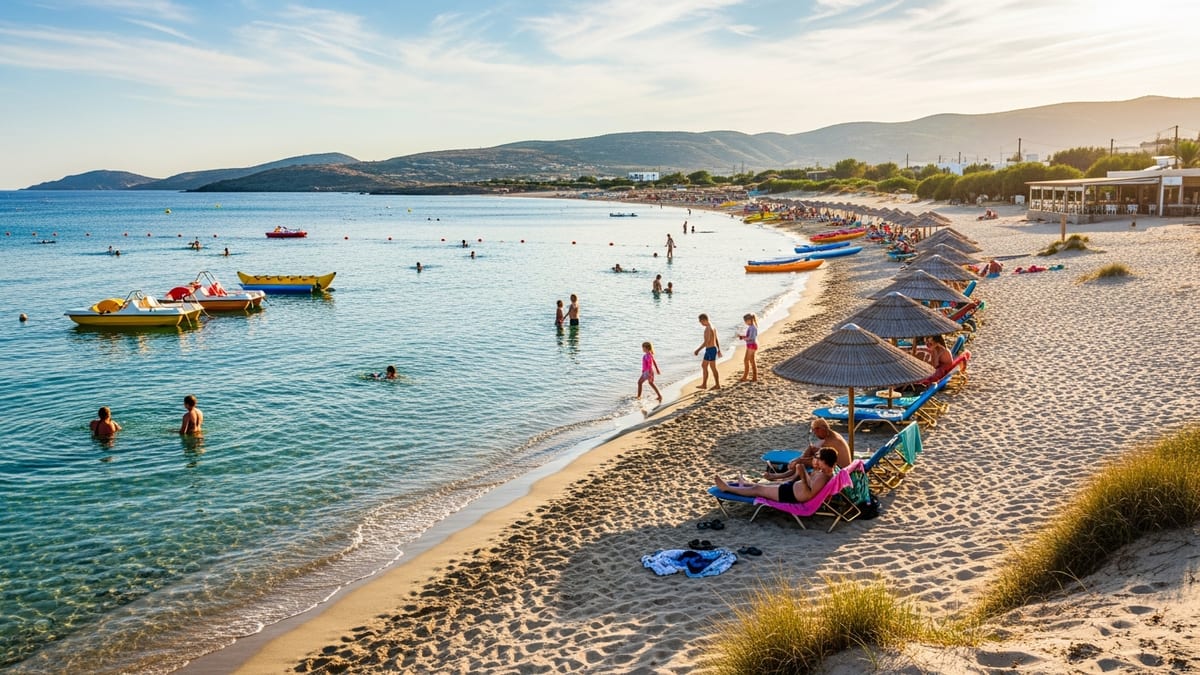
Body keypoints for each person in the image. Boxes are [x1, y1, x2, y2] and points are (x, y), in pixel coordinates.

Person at [715, 447, 838, 504]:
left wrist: (803, 474)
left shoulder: (822, 477)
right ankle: (743, 484)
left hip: (790, 495)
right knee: (762, 486)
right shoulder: (825, 472)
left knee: (758, 489)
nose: (815, 460)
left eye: (818, 458)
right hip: (791, 489)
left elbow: (808, 495)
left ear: (825, 460)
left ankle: (727, 488)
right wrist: (802, 468)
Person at [694, 313, 721, 390]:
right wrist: (719, 349)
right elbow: (716, 339)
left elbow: (706, 342)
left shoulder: (708, 328)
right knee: (704, 365)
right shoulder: (712, 326)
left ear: (703, 320)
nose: (701, 323)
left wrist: (698, 350)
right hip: (710, 349)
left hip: (711, 350)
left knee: (713, 367)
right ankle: (704, 384)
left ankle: (717, 385)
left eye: (700, 321)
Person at [737, 313, 759, 382]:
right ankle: (754, 377)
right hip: (751, 345)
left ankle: (746, 377)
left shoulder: (752, 328)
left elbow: (751, 338)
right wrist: (743, 337)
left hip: (752, 345)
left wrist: (743, 337)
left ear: (749, 320)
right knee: (751, 360)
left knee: (746, 360)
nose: (745, 322)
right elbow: (750, 337)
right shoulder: (751, 327)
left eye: (745, 321)